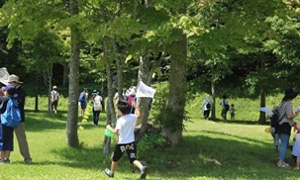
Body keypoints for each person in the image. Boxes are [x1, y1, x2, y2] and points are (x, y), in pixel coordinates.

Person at [104, 100, 147, 179]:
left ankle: (111, 173)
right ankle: (142, 168)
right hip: (131, 142)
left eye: (118, 110)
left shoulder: (120, 120)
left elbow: (115, 132)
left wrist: (108, 127)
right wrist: (135, 106)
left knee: (115, 158)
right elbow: (139, 115)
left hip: (122, 143)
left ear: (120, 111)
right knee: (133, 159)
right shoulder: (132, 117)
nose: (117, 111)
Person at [8, 74, 32, 164]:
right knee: (6, 138)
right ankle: (5, 158)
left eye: (10, 83)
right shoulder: (8, 90)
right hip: (8, 118)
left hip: (18, 119)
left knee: (21, 138)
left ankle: (27, 157)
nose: (8, 84)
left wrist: (9, 97)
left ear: (14, 83)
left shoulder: (21, 91)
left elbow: (18, 102)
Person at [276, 88, 299, 168]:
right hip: (285, 126)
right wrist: (296, 114)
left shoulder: (282, 103)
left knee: (284, 144)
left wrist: (293, 123)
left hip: (279, 125)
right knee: (284, 144)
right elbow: (289, 116)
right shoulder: (288, 104)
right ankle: (280, 162)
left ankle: (281, 161)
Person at [0, 85, 17, 164]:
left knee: (1, 140)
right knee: (9, 140)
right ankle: (7, 159)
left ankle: (1, 159)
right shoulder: (14, 100)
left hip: (3, 122)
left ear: (6, 92)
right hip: (11, 123)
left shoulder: (3, 99)